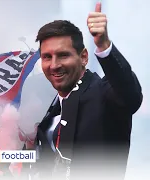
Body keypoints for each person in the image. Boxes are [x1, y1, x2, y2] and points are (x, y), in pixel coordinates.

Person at [35, 2, 142, 180]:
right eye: (47, 57)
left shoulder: (104, 93)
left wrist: (104, 45)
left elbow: (130, 95)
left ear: (83, 57)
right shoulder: (49, 110)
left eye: (63, 55)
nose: (54, 65)